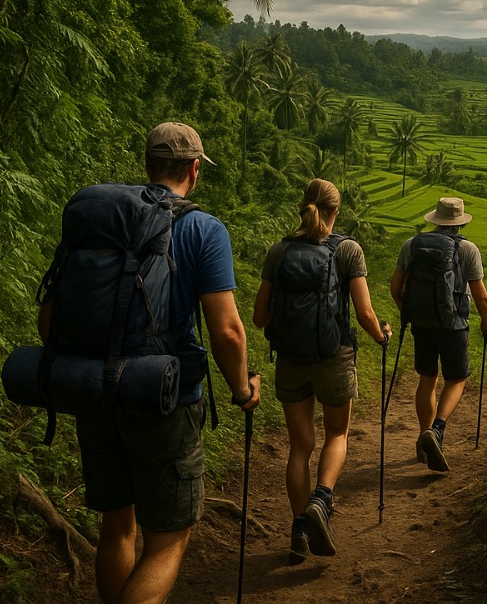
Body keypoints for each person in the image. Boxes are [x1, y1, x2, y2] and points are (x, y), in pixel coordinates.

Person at [37, 121, 261, 604]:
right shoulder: (203, 228)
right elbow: (226, 330)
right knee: (168, 538)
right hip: (165, 399)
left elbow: (48, 318)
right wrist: (242, 390)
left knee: (116, 525)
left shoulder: (102, 222)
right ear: (195, 170)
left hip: (94, 391)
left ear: (148, 165)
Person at [251, 178, 389, 565]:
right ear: (335, 211)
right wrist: (382, 335)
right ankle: (322, 500)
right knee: (337, 434)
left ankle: (298, 528)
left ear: (303, 207)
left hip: (292, 360)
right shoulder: (348, 250)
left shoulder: (278, 251)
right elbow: (364, 313)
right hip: (334, 357)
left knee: (300, 446)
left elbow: (260, 318)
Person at [390, 197, 487, 474]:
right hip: (454, 325)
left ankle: (424, 437)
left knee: (427, 379)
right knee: (456, 379)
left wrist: (407, 312)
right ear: (459, 222)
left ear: (435, 219)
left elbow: (395, 286)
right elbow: (480, 294)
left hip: (421, 324)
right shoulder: (468, 249)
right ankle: (437, 430)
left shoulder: (411, 245)